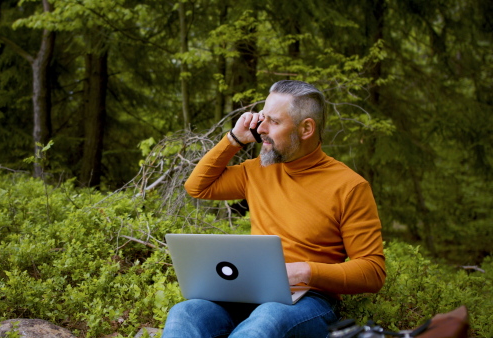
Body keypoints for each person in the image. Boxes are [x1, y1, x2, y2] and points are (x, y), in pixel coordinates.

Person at [162, 80, 386, 338]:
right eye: (262, 118)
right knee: (185, 313)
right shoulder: (257, 171)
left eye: (275, 122)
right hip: (250, 291)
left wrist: (305, 271)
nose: (262, 129)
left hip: (310, 300)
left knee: (266, 321)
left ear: (306, 129)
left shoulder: (350, 186)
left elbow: (372, 271)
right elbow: (197, 187)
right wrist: (234, 139)